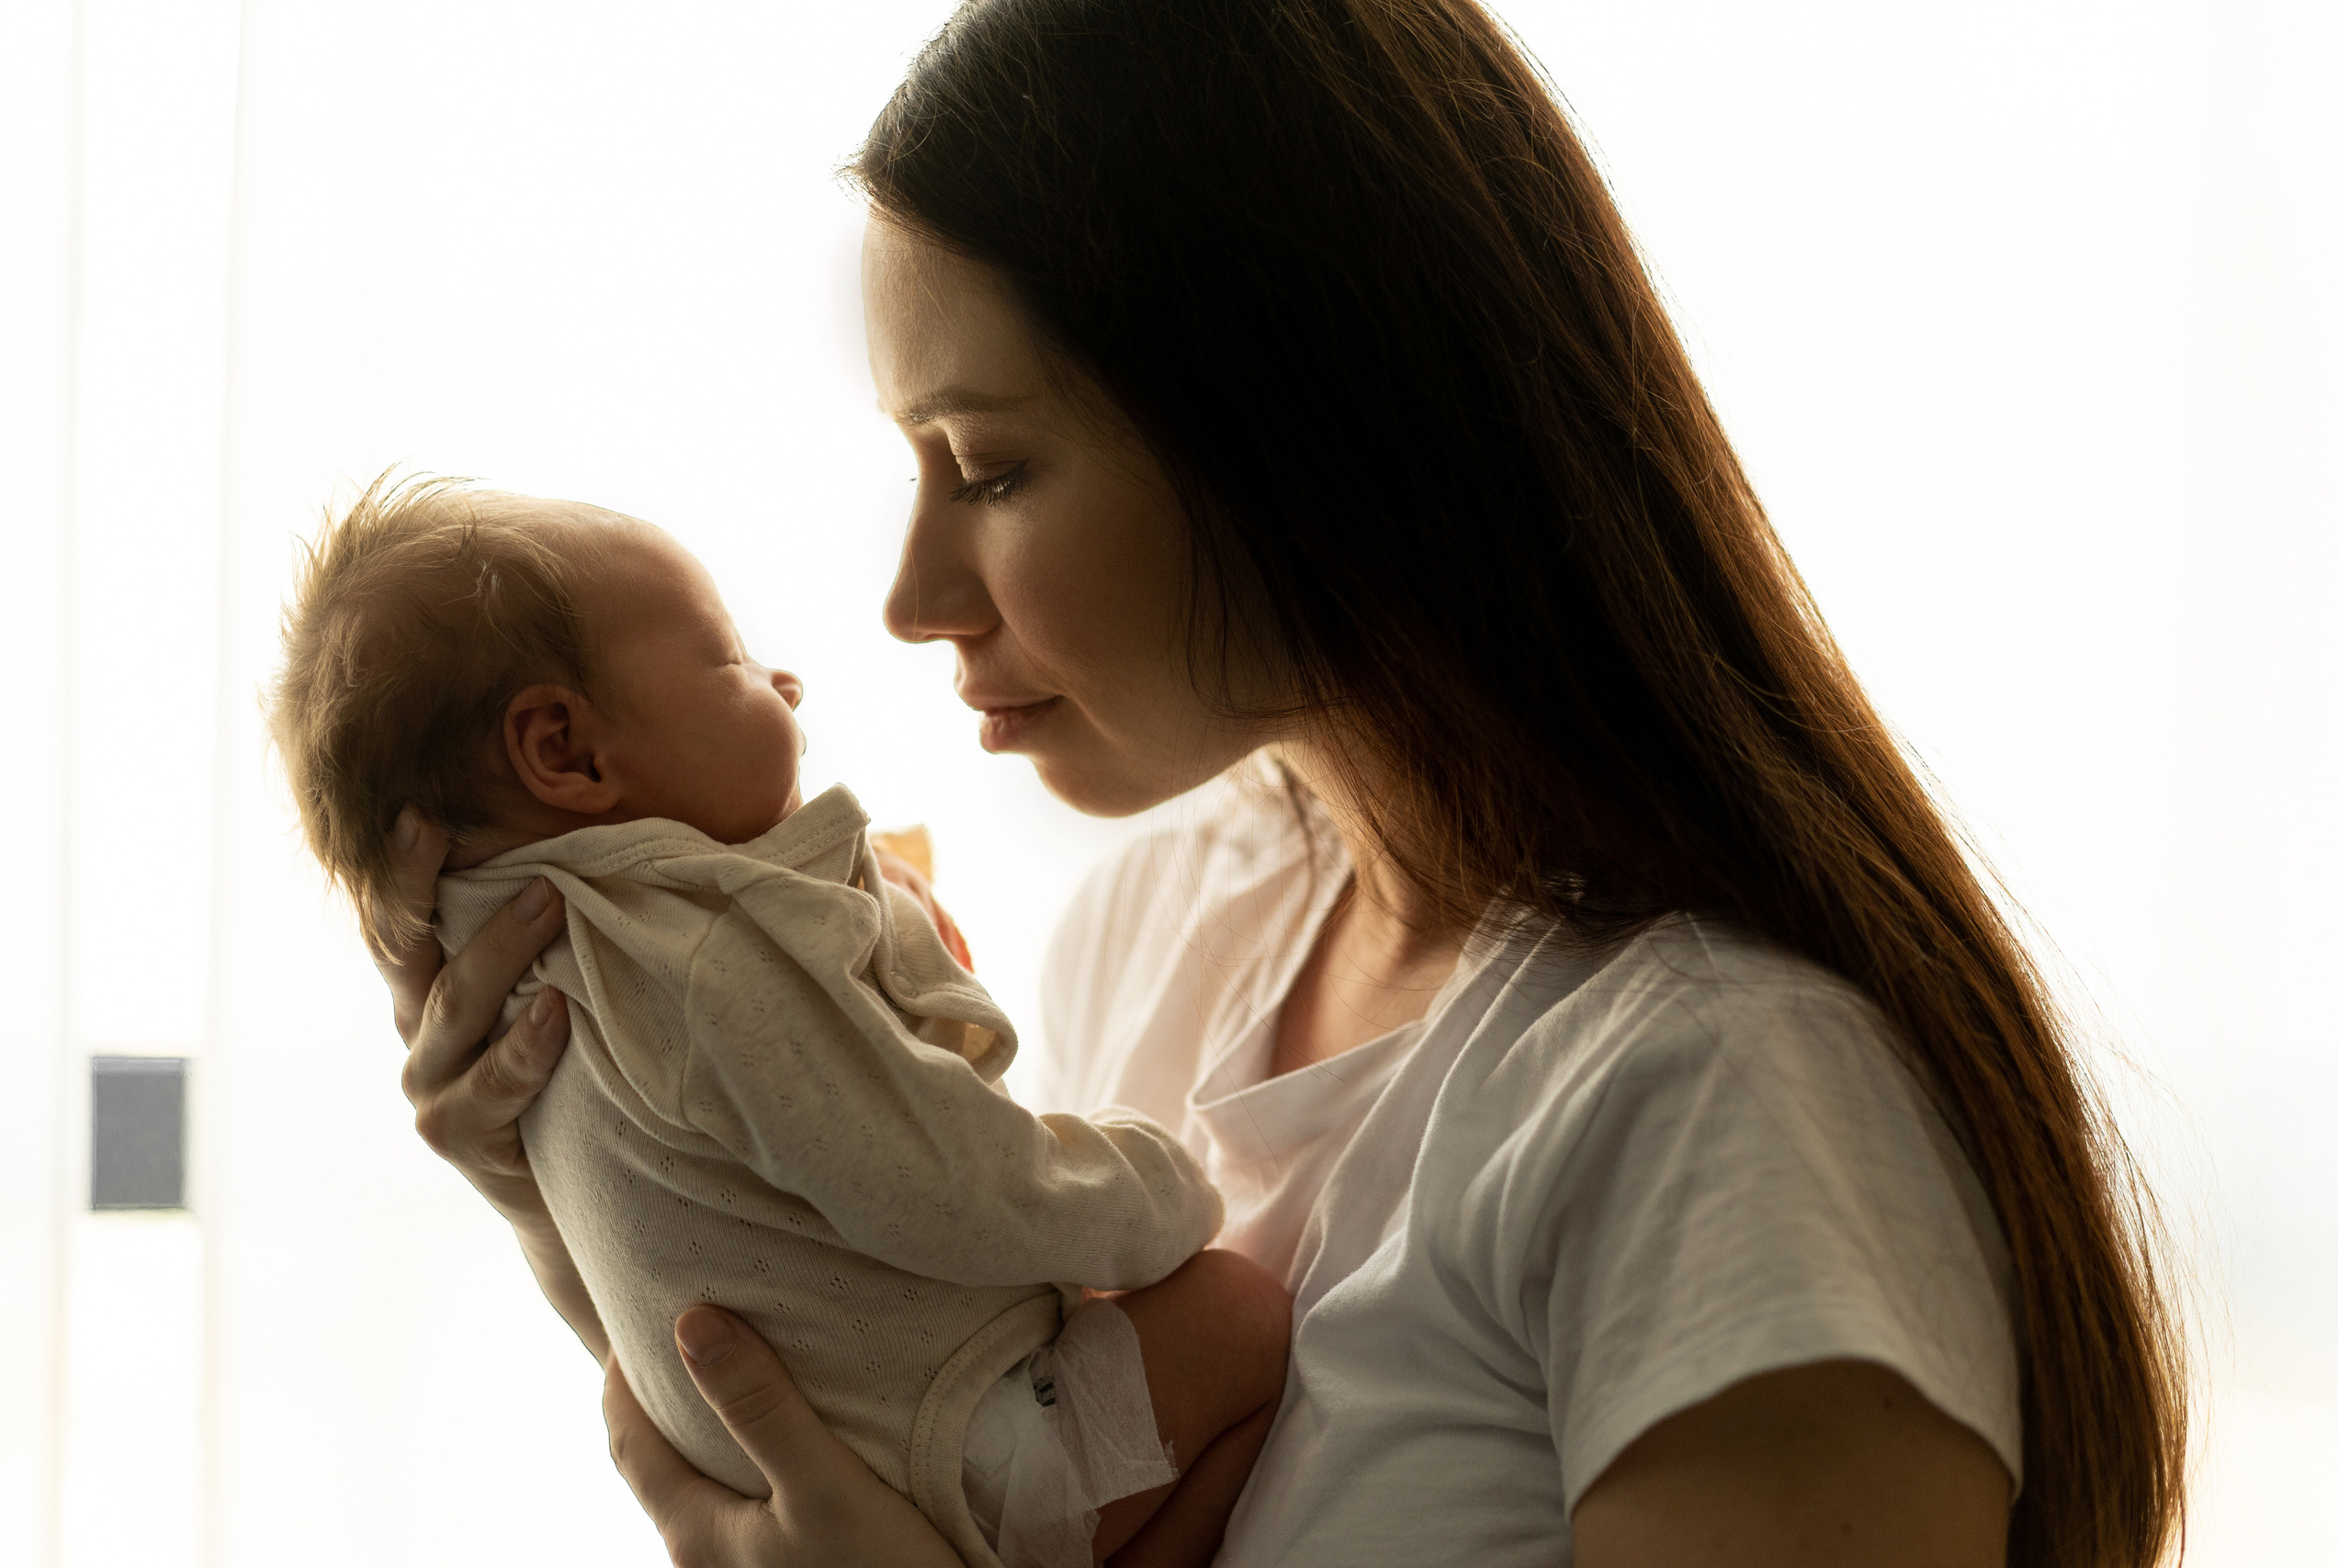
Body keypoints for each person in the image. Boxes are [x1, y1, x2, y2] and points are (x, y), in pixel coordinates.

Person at [381, 2, 2188, 1564]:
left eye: (990, 467)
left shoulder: (1720, 1115)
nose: (908, 594)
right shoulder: (1162, 926)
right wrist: (571, 1173)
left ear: (1303, 436)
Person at [270, 479, 1289, 1568]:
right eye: (733, 661)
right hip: (955, 1451)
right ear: (565, 752)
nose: (785, 682)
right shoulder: (697, 957)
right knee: (1235, 1311)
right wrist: (1155, 1190)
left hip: (826, 1478)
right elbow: (935, 1175)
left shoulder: (533, 971)